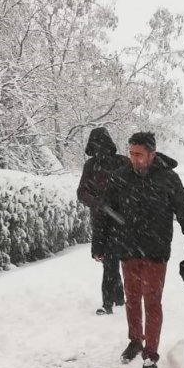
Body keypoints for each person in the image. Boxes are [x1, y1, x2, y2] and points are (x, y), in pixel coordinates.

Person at [92, 132, 184, 368]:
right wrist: (98, 245)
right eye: (131, 153)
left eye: (138, 154)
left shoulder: (168, 179)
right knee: (132, 299)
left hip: (155, 250)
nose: (133, 158)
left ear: (152, 154)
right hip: (127, 248)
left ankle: (151, 353)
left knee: (152, 301)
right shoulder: (120, 177)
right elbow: (105, 211)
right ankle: (135, 341)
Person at [77, 127, 127, 315]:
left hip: (118, 218)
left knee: (110, 259)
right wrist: (97, 203)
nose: (100, 150)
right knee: (108, 260)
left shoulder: (121, 162)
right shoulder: (91, 166)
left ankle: (108, 303)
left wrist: (119, 204)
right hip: (101, 219)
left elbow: (133, 187)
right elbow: (81, 192)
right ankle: (119, 297)